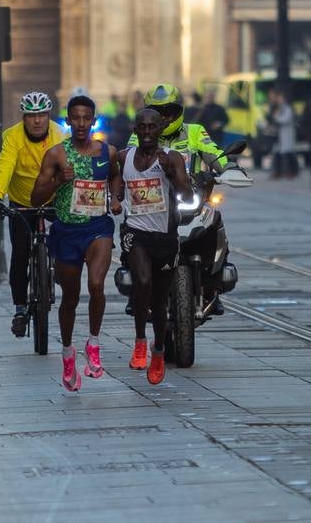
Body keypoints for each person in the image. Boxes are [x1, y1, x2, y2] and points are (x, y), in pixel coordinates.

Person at [30, 94, 120, 390]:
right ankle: (68, 352)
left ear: (93, 121)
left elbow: (115, 177)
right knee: (70, 297)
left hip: (98, 227)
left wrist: (116, 197)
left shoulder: (108, 152)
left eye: (86, 118)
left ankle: (93, 343)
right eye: (76, 118)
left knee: (96, 285)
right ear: (67, 121)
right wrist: (58, 181)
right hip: (66, 230)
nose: (81, 123)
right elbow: (35, 198)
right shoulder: (57, 155)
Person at [127, 83, 231, 313]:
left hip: (190, 196)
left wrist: (227, 167)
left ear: (178, 111)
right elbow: (127, 157)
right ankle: (135, 286)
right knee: (130, 230)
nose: (164, 117)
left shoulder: (194, 131)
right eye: (158, 111)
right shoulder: (141, 135)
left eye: (169, 111)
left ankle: (213, 283)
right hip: (152, 204)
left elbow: (213, 152)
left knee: (215, 219)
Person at [113, 108, 192, 384]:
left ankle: (158, 351)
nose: (147, 132)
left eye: (152, 127)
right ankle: (139, 341)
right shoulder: (124, 157)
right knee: (142, 282)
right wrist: (115, 196)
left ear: (160, 130)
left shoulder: (171, 158)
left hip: (165, 237)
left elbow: (186, 194)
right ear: (135, 130)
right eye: (142, 127)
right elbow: (115, 181)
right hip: (136, 233)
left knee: (159, 301)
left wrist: (172, 175)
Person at [0, 91, 64, 336]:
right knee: (20, 254)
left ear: (48, 115)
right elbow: (5, 165)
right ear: (24, 117)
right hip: (22, 201)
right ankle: (20, 308)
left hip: (55, 197)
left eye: (42, 115)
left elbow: (73, 164)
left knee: (69, 239)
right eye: (32, 116)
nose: (37, 121)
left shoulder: (60, 134)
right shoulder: (12, 136)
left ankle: (60, 269)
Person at [267, 88, 297, 180]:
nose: (278, 100)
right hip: (279, 135)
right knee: (279, 153)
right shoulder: (278, 108)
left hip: (286, 135)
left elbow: (285, 119)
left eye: (280, 98)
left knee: (287, 154)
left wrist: (276, 118)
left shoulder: (287, 108)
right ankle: (279, 172)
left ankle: (290, 172)